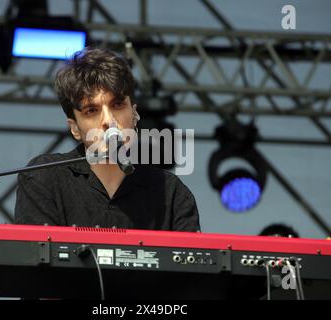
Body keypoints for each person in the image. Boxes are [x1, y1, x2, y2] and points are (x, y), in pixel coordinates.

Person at [14, 47, 200, 231]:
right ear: (75, 128)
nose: (108, 121)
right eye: (92, 111)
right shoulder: (44, 176)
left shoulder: (171, 193)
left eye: (118, 105)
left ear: (134, 114)